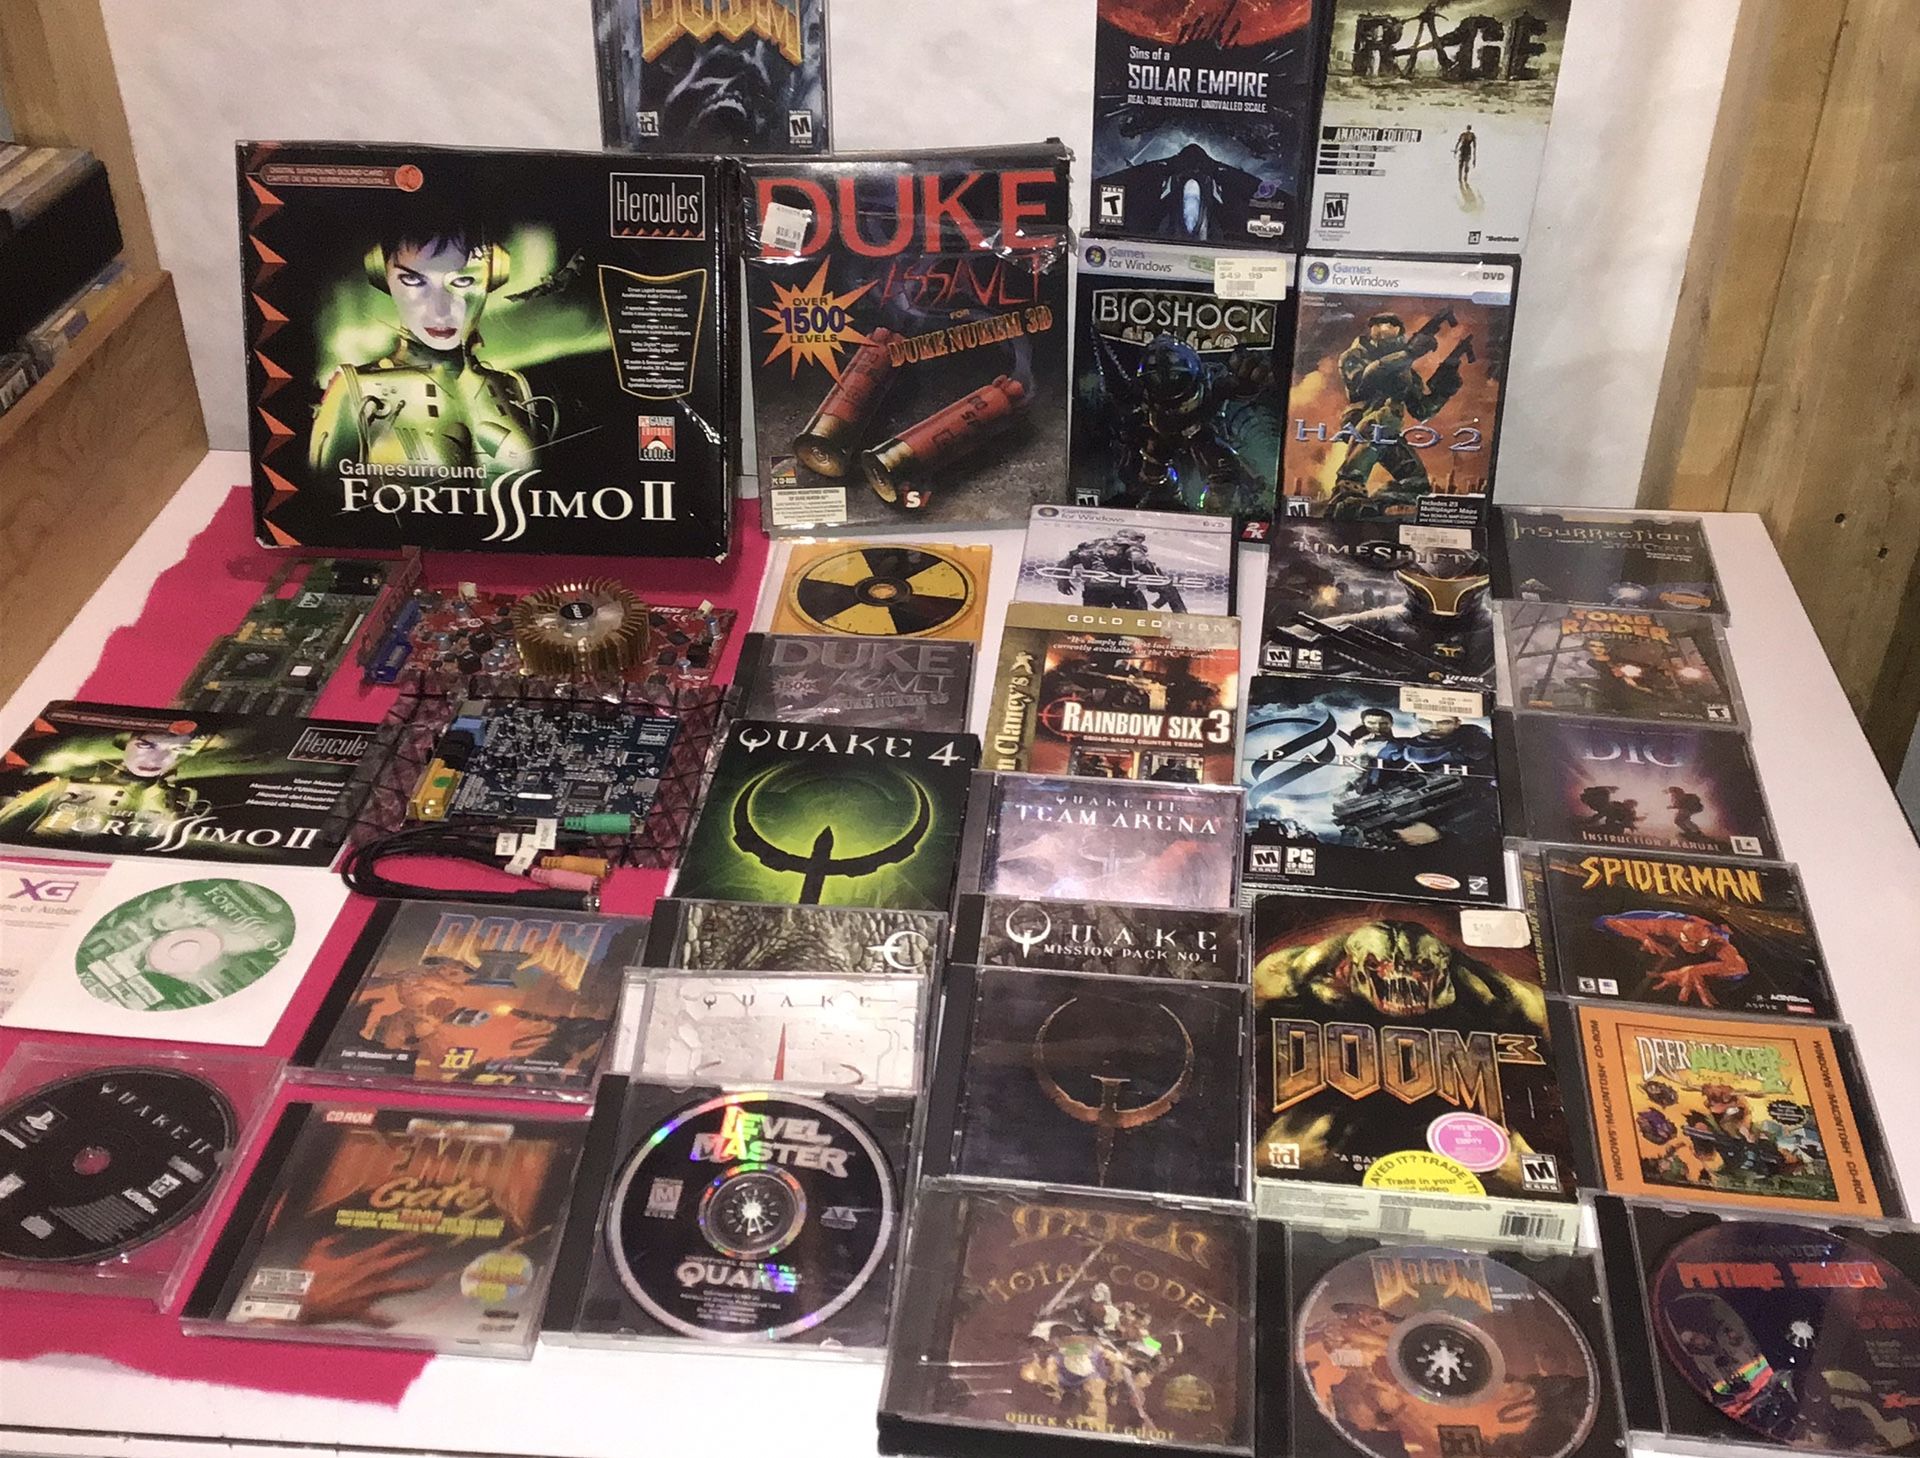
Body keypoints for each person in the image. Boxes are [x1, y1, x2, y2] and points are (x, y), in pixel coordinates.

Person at [308, 217, 544, 494]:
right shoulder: (355, 391)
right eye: (413, 279)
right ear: (381, 274)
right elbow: (321, 504)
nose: (440, 309)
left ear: (494, 275)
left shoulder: (514, 388)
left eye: (464, 280)